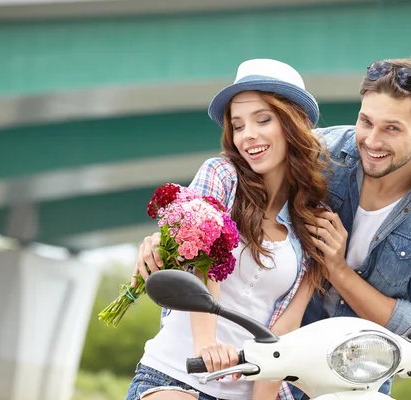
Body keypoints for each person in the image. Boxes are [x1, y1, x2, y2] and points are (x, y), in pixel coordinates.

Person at [136, 51, 411, 399]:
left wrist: (337, 269)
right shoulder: (319, 153)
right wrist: (168, 237)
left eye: (391, 128)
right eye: (365, 122)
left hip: (345, 374)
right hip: (204, 373)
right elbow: (198, 245)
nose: (371, 141)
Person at [125, 59, 333, 400]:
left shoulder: (313, 220)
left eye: (262, 119)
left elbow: (281, 331)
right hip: (177, 375)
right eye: (238, 125)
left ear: (293, 124)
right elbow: (199, 260)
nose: (247, 135)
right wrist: (207, 344)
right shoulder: (222, 176)